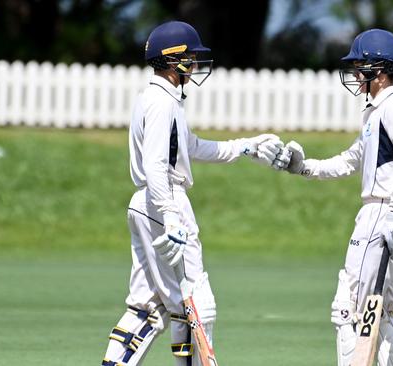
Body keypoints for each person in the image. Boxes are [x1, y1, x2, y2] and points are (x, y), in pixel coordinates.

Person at [100, 20, 284, 366]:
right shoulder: (162, 102)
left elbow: (192, 147)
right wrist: (170, 215)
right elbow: (156, 164)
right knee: (196, 301)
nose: (197, 65)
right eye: (191, 57)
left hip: (145, 203)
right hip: (164, 199)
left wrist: (245, 147)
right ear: (174, 61)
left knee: (147, 305)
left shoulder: (155, 97)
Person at [279, 29, 393, 366]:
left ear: (380, 70)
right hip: (388, 214)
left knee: (349, 309)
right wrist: (304, 167)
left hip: (383, 213)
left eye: (361, 67)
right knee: (382, 311)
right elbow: (350, 159)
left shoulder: (392, 108)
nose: (356, 75)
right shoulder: (375, 113)